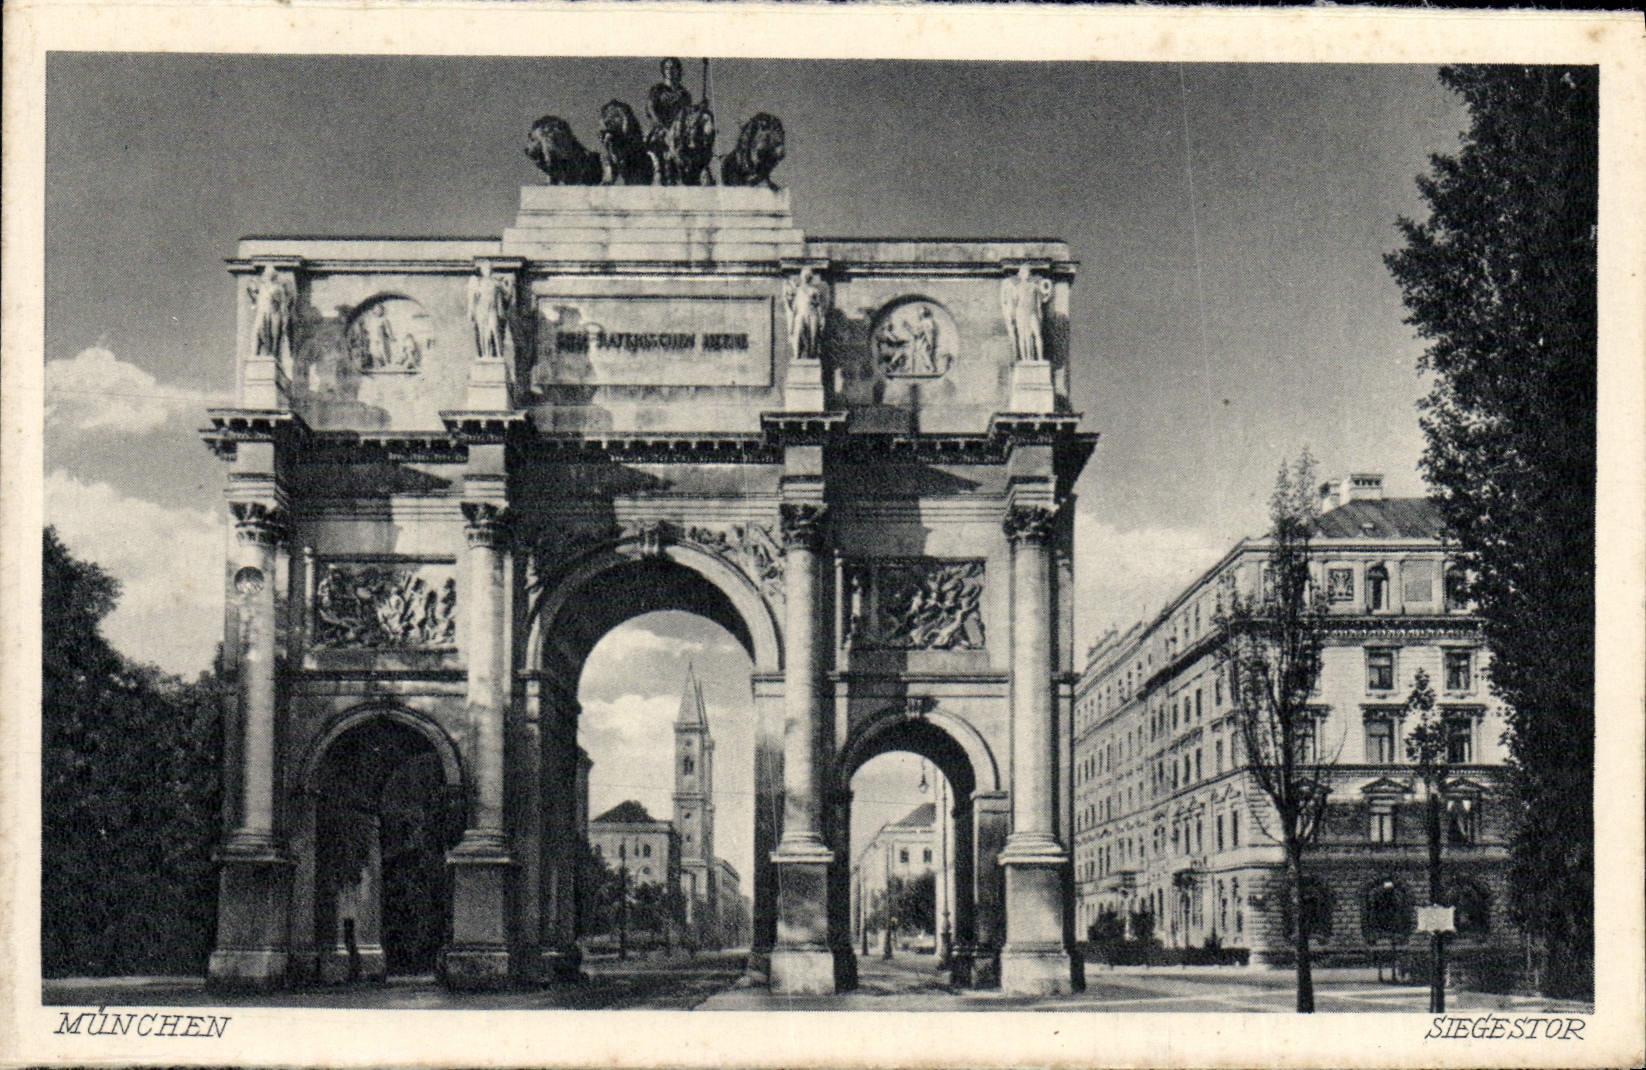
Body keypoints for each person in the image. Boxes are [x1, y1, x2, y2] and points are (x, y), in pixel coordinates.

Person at [646, 58, 692, 159]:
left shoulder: (684, 94)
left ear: (678, 70)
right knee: (651, 150)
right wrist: (659, 125)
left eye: (673, 68)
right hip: (661, 129)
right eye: (667, 68)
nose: (670, 71)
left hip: (680, 131)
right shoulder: (657, 90)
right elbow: (650, 108)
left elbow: (688, 113)